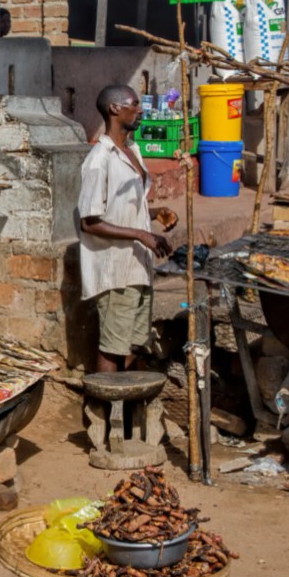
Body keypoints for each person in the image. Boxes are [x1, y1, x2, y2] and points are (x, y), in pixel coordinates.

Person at [79, 84, 175, 374]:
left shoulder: (132, 150)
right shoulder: (99, 161)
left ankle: (124, 401)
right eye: (134, 104)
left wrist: (155, 214)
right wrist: (141, 235)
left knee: (134, 342)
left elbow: (123, 205)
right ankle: (103, 412)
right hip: (115, 270)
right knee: (112, 345)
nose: (140, 109)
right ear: (115, 109)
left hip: (137, 265)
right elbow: (89, 220)